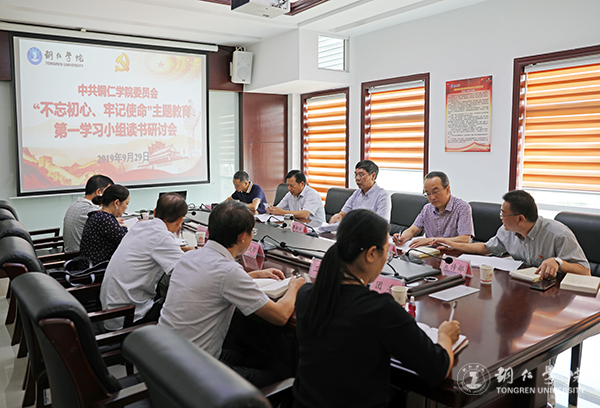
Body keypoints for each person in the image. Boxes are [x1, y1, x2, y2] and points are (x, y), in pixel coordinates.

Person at [293, 209, 460, 407]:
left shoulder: (306, 294)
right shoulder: (379, 309)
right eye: (387, 252)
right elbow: (438, 368)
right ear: (371, 254)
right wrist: (445, 336)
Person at [159, 200, 305, 387]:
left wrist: (252, 275)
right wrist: (294, 286)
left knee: (251, 356)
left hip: (164, 354)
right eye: (253, 232)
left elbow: (212, 281)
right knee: (281, 378)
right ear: (243, 237)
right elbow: (280, 316)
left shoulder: (190, 256)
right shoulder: (228, 271)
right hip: (192, 373)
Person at [435, 190, 591, 279]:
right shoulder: (507, 231)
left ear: (520, 219)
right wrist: (453, 244)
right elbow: (485, 248)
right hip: (523, 286)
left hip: (555, 295)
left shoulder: (558, 234)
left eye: (503, 214)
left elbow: (586, 272)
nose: (501, 218)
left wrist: (558, 262)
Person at [100, 193, 193, 330]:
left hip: (111, 310)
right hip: (130, 316)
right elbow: (187, 271)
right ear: (180, 220)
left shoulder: (140, 226)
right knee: (185, 305)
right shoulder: (162, 237)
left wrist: (182, 250)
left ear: (154, 212)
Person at [393, 171, 473, 248]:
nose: (432, 197)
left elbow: (465, 239)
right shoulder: (427, 209)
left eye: (436, 192)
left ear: (447, 190)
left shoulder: (462, 208)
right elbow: (412, 230)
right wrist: (402, 237)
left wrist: (433, 240)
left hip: (454, 254)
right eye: (428, 193)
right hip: (431, 253)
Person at [79, 184, 129, 265]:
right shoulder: (105, 219)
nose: (126, 207)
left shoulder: (98, 215)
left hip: (90, 264)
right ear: (116, 203)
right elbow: (126, 241)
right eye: (126, 204)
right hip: (97, 268)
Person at [63, 175, 113, 253]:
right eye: (108, 192)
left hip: (72, 253)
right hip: (81, 256)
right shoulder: (89, 210)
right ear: (99, 192)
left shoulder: (76, 205)